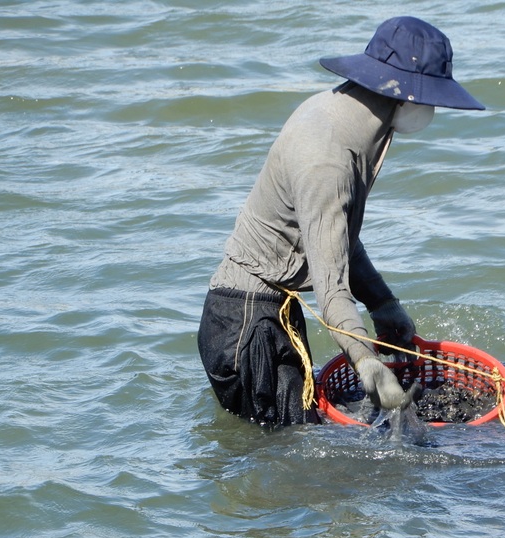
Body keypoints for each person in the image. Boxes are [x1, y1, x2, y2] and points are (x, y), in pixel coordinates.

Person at [197, 16, 485, 426]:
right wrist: (368, 365)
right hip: (247, 328)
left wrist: (383, 304)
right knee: (284, 471)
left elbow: (336, 240)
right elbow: (331, 291)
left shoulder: (334, 111)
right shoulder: (329, 160)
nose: (432, 110)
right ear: (408, 99)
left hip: (261, 312)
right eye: (431, 100)